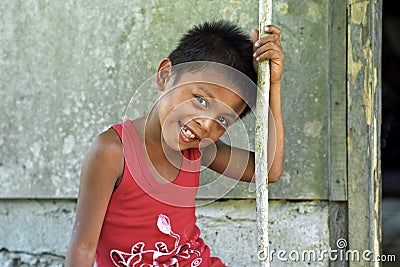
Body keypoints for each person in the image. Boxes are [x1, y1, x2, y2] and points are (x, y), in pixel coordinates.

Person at [65, 20, 284, 267]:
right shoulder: (113, 152)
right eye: (201, 100)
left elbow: (268, 170)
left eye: (222, 119)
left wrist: (272, 85)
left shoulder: (198, 149)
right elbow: (83, 249)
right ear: (165, 75)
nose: (206, 124)